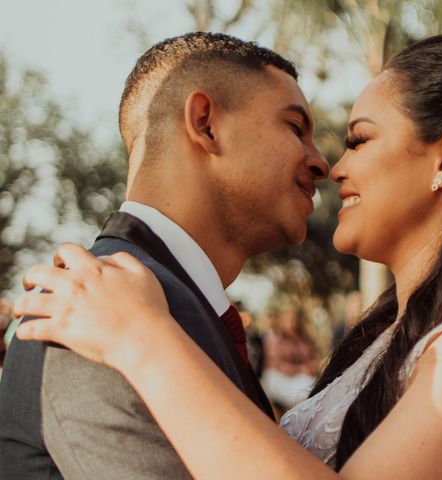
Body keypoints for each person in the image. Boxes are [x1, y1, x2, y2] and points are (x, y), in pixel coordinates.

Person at [12, 34, 442, 479]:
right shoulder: (95, 305)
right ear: (205, 123)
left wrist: (145, 340)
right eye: (297, 128)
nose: (330, 164)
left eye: (357, 138)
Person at [0, 32, 328, 479]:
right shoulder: (87, 311)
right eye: (295, 127)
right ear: (206, 123)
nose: (321, 162)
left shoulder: (158, 309)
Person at [261, 304, 320, 411]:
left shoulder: (303, 338)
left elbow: (311, 359)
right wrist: (300, 369)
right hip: (281, 378)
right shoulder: (275, 339)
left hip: (299, 379)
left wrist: (311, 366)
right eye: (288, 318)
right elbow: (275, 365)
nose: (292, 322)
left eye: (294, 318)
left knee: (309, 384)